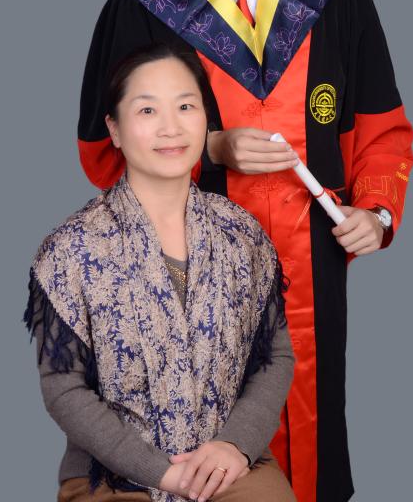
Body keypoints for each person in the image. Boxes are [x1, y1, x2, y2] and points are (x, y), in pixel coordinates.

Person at [77, 0, 413, 502]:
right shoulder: (142, 6)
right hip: (185, 274)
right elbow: (102, 155)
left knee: (311, 439)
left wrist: (377, 213)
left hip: (313, 266)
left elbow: (380, 131)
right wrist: (211, 149)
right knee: (198, 457)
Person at [25, 44, 296, 502]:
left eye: (186, 106)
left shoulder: (241, 234)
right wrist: (161, 473)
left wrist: (234, 446)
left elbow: (277, 357)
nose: (171, 127)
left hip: (228, 467)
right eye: (147, 110)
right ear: (114, 129)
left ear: (206, 119)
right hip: (110, 476)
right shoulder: (70, 249)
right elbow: (63, 389)